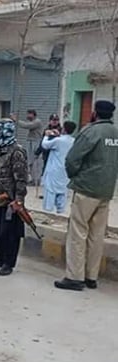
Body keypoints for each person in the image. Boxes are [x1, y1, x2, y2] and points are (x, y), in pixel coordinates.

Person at [55, 101, 118, 291]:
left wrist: (75, 176)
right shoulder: (115, 133)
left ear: (94, 113)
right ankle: (91, 276)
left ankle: (75, 277)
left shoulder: (90, 132)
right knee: (97, 235)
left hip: (86, 190)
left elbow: (73, 159)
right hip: (106, 190)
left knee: (78, 233)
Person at [0, 119, 28, 277]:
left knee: (9, 232)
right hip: (0, 198)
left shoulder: (16, 151)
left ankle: (8, 263)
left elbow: (21, 179)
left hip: (11, 200)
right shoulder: (2, 150)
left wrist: (18, 200)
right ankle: (0, 257)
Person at [40, 121, 75, 213]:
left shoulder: (58, 141)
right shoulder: (73, 141)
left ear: (64, 129)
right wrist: (58, 135)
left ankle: (48, 209)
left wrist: (46, 135)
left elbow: (45, 145)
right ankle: (61, 209)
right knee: (63, 190)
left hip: (54, 169)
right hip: (65, 169)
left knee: (51, 189)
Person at [13, 109, 43, 185]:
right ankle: (33, 179)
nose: (27, 116)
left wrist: (16, 120)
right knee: (29, 161)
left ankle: (36, 180)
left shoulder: (37, 122)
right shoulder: (33, 121)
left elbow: (27, 126)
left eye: (29, 114)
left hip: (36, 142)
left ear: (33, 114)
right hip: (30, 142)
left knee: (35, 162)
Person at [35, 113, 62, 178]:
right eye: (53, 120)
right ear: (50, 121)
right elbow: (42, 142)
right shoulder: (46, 130)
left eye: (56, 120)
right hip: (47, 153)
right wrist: (37, 152)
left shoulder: (61, 130)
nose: (55, 122)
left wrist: (58, 134)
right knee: (46, 168)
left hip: (57, 154)